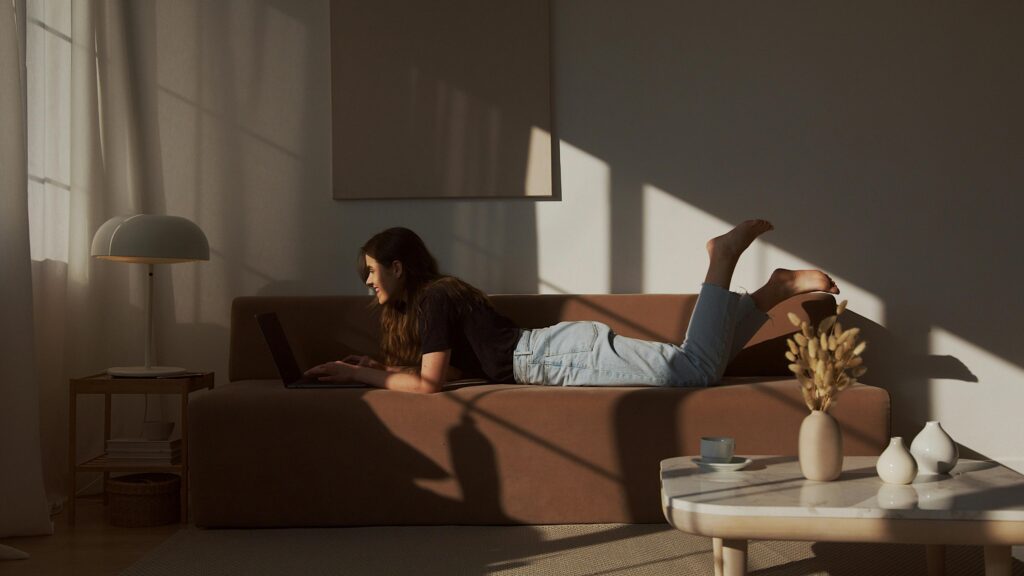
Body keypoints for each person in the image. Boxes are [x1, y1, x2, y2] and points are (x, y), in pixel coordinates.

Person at [304, 221, 840, 393]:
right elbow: (448, 374)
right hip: (555, 353)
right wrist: (377, 367)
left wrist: (361, 379)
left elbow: (428, 386)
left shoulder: (436, 299)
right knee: (704, 366)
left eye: (371, 273)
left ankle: (721, 260)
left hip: (555, 360)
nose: (368, 285)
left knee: (694, 370)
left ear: (398, 268)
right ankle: (773, 291)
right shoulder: (437, 299)